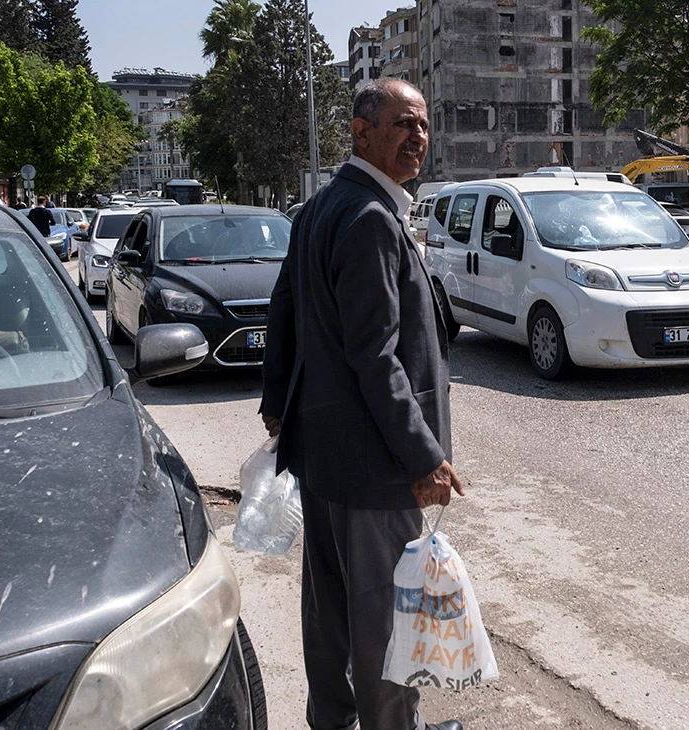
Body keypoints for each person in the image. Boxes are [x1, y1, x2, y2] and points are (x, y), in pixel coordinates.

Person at [260, 78, 466, 730]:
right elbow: (376, 358)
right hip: (375, 468)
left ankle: (333, 721)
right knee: (384, 622)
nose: (418, 138)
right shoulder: (370, 218)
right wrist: (425, 457)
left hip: (324, 459)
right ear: (361, 132)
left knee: (329, 615)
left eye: (424, 126)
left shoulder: (323, 207)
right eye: (404, 124)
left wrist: (276, 404)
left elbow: (284, 309)